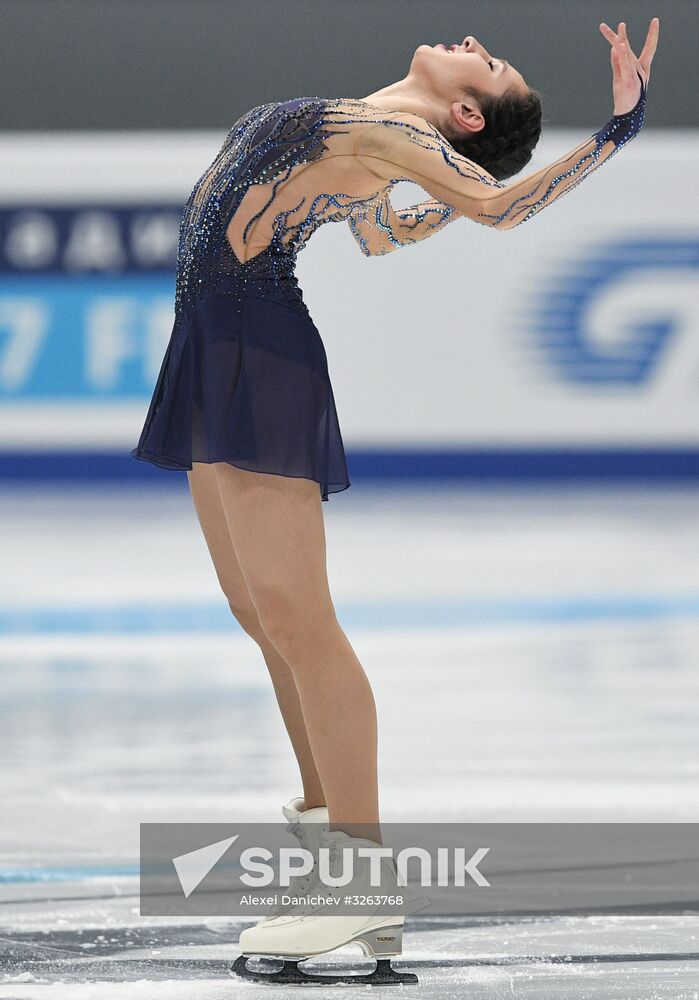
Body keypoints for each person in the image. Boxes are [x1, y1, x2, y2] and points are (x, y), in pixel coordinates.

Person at [131, 19, 659, 985]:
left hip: (258, 344)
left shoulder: (404, 141)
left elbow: (497, 209)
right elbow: (385, 233)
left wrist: (612, 132)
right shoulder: (378, 140)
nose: (473, 37)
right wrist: (446, 196)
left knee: (300, 617)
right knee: (261, 616)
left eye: (489, 63)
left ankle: (358, 881)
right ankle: (328, 869)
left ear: (464, 111)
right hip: (211, 342)